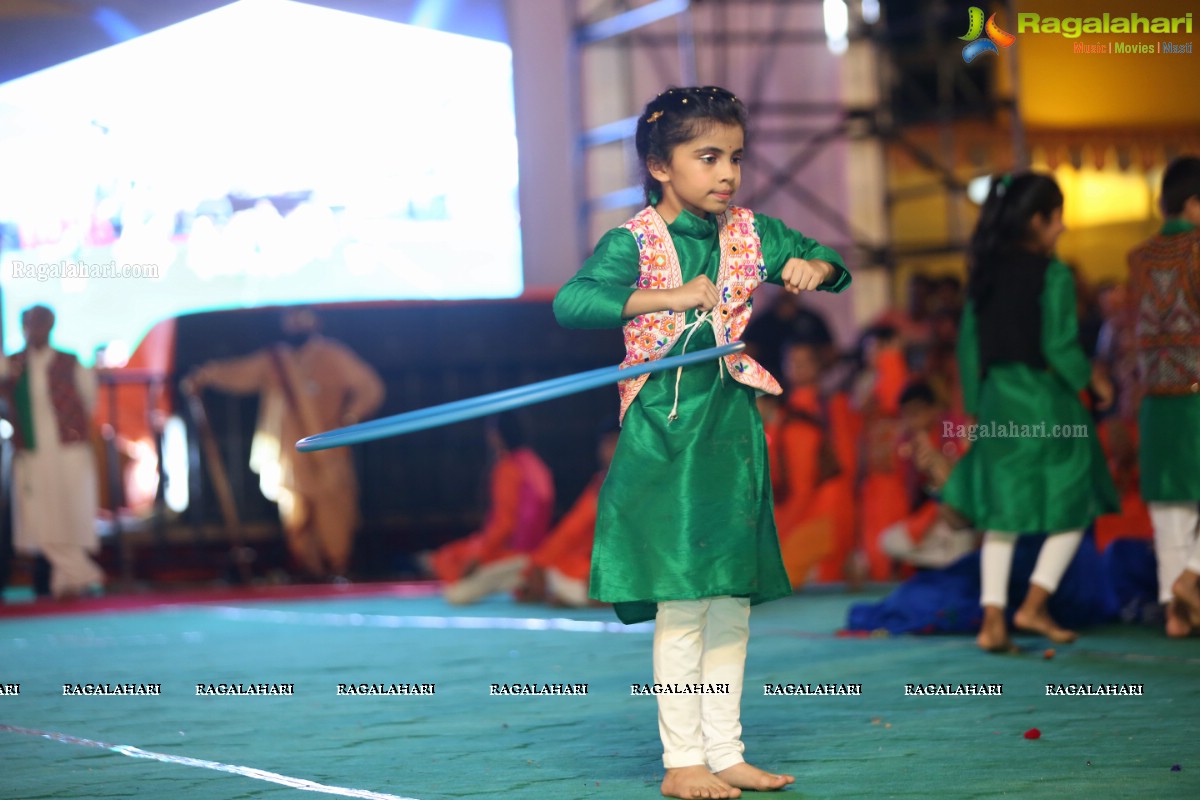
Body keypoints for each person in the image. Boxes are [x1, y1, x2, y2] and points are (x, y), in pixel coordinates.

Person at [553, 85, 849, 799]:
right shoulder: (635, 241)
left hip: (733, 441)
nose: (727, 174)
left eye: (736, 158)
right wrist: (669, 297)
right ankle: (681, 759)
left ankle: (727, 751)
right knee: (685, 604)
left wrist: (818, 269)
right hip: (666, 445)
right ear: (660, 164)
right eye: (708, 157)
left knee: (730, 603)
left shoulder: (751, 232)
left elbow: (829, 263)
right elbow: (574, 302)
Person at [940, 172, 1119, 653]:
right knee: (1076, 498)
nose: (1061, 228)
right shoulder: (1054, 274)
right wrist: (1092, 380)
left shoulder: (985, 272)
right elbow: (1059, 345)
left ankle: (992, 619)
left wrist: (974, 411)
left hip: (998, 397)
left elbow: (968, 348)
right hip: (1043, 399)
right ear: (1039, 220)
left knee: (1003, 509)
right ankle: (1034, 604)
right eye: (1058, 218)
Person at [184, 307, 384, 580]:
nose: (295, 323)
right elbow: (241, 373)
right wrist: (206, 376)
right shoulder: (275, 359)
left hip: (329, 451)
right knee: (295, 515)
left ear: (316, 321)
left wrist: (350, 417)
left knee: (334, 512)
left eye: (302, 317)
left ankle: (337, 568)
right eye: (290, 318)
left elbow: (370, 387)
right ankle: (308, 572)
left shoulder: (333, 355)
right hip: (289, 455)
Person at [1126, 155, 1200, 637]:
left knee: (1169, 509)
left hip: (1155, 396)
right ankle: (1191, 578)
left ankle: (1174, 611)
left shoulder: (1138, 257)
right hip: (1197, 393)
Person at [0, 305, 103, 598]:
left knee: (68, 511)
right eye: (30, 324)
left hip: (68, 450)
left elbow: (89, 401)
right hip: (31, 451)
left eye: (40, 324)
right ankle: (83, 573)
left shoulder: (70, 363)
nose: (35, 330)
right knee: (38, 514)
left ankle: (67, 579)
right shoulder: (14, 364)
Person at [424, 412, 555, 604]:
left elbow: (504, 525)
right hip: (537, 553)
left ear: (496, 435)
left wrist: (478, 557)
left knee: (454, 592)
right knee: (454, 555)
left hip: (517, 558)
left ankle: (524, 579)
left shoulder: (508, 468)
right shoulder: (536, 464)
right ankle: (527, 580)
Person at [764, 339, 858, 585]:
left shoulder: (829, 407)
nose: (799, 367)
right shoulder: (787, 413)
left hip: (824, 509)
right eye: (794, 362)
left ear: (818, 366)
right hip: (810, 511)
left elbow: (845, 463)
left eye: (805, 362)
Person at [515, 418, 620, 607]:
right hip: (587, 563)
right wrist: (538, 563)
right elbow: (571, 529)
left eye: (613, 443)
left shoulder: (633, 483)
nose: (606, 451)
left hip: (628, 567)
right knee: (549, 570)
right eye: (605, 444)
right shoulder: (602, 482)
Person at [877, 381, 975, 571]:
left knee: (961, 543)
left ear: (933, 410)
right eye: (906, 414)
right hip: (932, 520)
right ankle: (945, 564)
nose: (911, 420)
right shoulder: (905, 445)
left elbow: (962, 490)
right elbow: (912, 496)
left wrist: (935, 463)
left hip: (959, 516)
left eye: (917, 413)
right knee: (888, 541)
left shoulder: (955, 431)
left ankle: (953, 564)